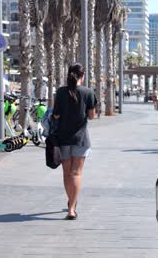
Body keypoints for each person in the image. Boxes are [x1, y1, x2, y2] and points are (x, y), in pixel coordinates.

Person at [53, 63, 97, 220]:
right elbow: (92, 116)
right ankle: (72, 208)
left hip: (63, 138)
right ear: (82, 76)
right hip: (81, 138)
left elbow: (56, 116)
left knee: (66, 173)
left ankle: (71, 202)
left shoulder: (61, 92)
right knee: (76, 173)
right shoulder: (88, 92)